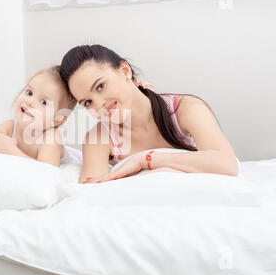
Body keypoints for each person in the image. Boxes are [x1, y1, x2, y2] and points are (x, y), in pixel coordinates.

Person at [59, 44, 239, 183]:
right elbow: (93, 192)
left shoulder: (185, 109)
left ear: (125, 71)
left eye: (100, 86)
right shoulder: (97, 138)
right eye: (88, 102)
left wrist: (145, 160)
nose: (99, 105)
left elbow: (227, 164)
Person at [0, 66, 77, 167]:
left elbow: (47, 173)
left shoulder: (51, 137)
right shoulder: (9, 127)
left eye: (43, 102)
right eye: (29, 93)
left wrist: (11, 150)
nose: (29, 102)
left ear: (57, 119)